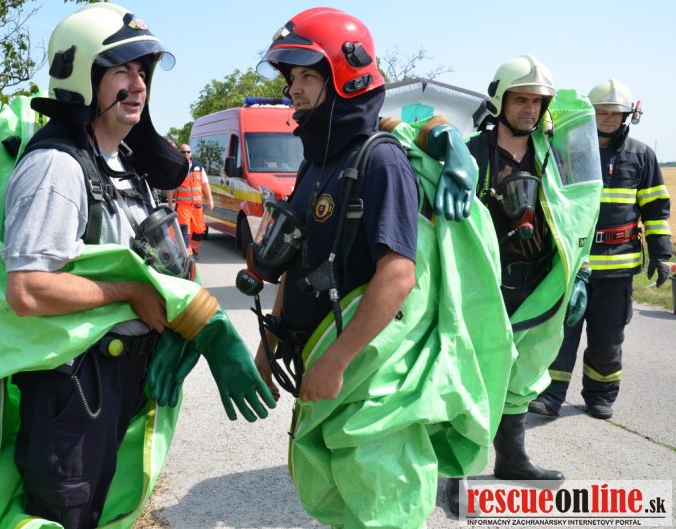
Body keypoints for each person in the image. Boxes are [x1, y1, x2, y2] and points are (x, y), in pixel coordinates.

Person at [2, 4, 273, 528]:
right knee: (66, 516)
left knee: (111, 512)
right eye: (122, 71)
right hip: (73, 391)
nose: (139, 84)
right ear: (84, 77)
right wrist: (128, 293)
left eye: (143, 72)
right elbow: (28, 291)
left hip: (122, 380)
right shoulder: (57, 167)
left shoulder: (126, 163)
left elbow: (167, 263)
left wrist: (184, 324)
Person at [246, 8, 517, 528]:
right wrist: (268, 349)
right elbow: (298, 263)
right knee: (340, 504)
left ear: (345, 77)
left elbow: (397, 275)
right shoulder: (315, 161)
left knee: (384, 511)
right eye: (291, 77)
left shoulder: (380, 160)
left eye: (306, 76)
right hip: (325, 364)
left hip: (369, 380)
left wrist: (336, 361)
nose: (293, 89)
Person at [444, 55, 603, 514]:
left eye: (537, 101)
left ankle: (512, 459)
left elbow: (579, 212)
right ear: (500, 101)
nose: (530, 109)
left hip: (540, 284)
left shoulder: (555, 156)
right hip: (483, 286)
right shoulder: (471, 154)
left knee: (524, 374)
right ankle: (459, 471)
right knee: (473, 378)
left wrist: (581, 272)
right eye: (521, 100)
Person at [530, 79, 672, 421]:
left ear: (628, 115)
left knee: (608, 340)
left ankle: (600, 397)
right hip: (571, 263)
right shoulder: (568, 149)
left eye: (616, 112)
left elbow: (655, 210)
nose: (609, 117)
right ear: (590, 114)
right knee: (559, 334)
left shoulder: (642, 156)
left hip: (618, 267)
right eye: (602, 111)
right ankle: (549, 396)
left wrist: (662, 254)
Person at [166, 144, 214, 257]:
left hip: (197, 206)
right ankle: (186, 253)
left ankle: (195, 249)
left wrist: (210, 200)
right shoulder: (176, 167)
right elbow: (170, 188)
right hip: (183, 206)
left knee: (199, 230)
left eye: (188, 152)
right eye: (183, 152)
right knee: (185, 230)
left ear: (191, 153)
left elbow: (205, 184)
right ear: (179, 153)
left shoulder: (199, 167)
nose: (186, 154)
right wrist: (170, 204)